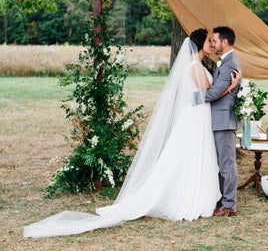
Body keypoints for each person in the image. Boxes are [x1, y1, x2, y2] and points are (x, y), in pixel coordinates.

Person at [23, 28, 240, 238]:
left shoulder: (200, 64)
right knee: (190, 157)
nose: (211, 44)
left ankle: (202, 195)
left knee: (195, 158)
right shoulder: (194, 65)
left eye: (214, 41)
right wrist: (231, 87)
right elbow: (206, 94)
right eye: (209, 41)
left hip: (199, 118)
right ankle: (188, 196)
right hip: (195, 117)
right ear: (200, 44)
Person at [205, 26, 242, 217]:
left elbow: (213, 93)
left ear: (224, 42)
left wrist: (190, 97)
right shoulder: (224, 62)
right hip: (219, 119)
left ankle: (230, 205)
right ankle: (224, 199)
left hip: (224, 120)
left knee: (227, 163)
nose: (213, 43)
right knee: (222, 163)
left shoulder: (229, 64)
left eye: (215, 40)